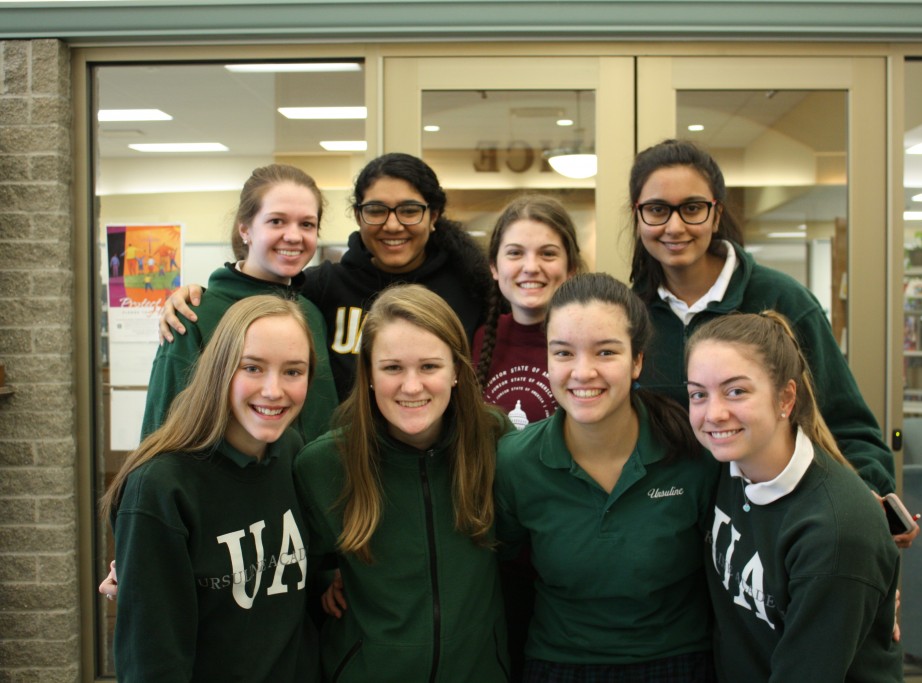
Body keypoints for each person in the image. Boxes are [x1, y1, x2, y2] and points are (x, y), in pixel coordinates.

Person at [627, 139, 897, 497]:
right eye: (658, 209)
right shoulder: (628, 317)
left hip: (773, 525)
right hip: (665, 530)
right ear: (638, 215)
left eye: (692, 208)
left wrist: (867, 501)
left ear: (716, 213)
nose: (675, 227)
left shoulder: (784, 299)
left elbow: (849, 430)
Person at [495, 273, 719, 682]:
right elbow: (496, 568)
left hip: (678, 660)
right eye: (563, 353)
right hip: (559, 662)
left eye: (605, 352)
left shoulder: (694, 452)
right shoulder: (515, 462)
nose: (583, 372)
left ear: (637, 361)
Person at [293, 284, 510, 682]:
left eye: (430, 366)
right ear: (370, 374)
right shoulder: (323, 464)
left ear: (457, 371)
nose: (412, 386)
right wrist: (326, 580)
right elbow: (302, 568)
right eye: (393, 368)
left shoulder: (494, 439)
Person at [100, 295, 320, 683]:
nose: (273, 390)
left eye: (293, 371)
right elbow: (152, 663)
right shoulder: (161, 489)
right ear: (219, 369)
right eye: (252, 367)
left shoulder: (290, 452)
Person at [162, 152, 492, 401]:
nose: (392, 225)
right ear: (358, 216)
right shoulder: (321, 288)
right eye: (376, 210)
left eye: (409, 210)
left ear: (433, 216)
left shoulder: (470, 287)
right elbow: (259, 298)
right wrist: (198, 295)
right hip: (342, 463)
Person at [686, 311, 903, 683]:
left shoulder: (836, 532)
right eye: (698, 394)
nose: (713, 414)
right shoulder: (727, 467)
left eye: (736, 391)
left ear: (786, 398)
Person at [141, 163, 337, 442]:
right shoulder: (193, 315)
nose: (293, 236)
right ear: (245, 229)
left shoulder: (312, 315)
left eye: (306, 224)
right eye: (276, 221)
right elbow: (161, 435)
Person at [474, 194, 585, 429]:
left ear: (571, 267)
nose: (531, 267)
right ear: (494, 266)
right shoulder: (480, 337)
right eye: (515, 253)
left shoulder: (590, 341)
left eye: (548, 253)